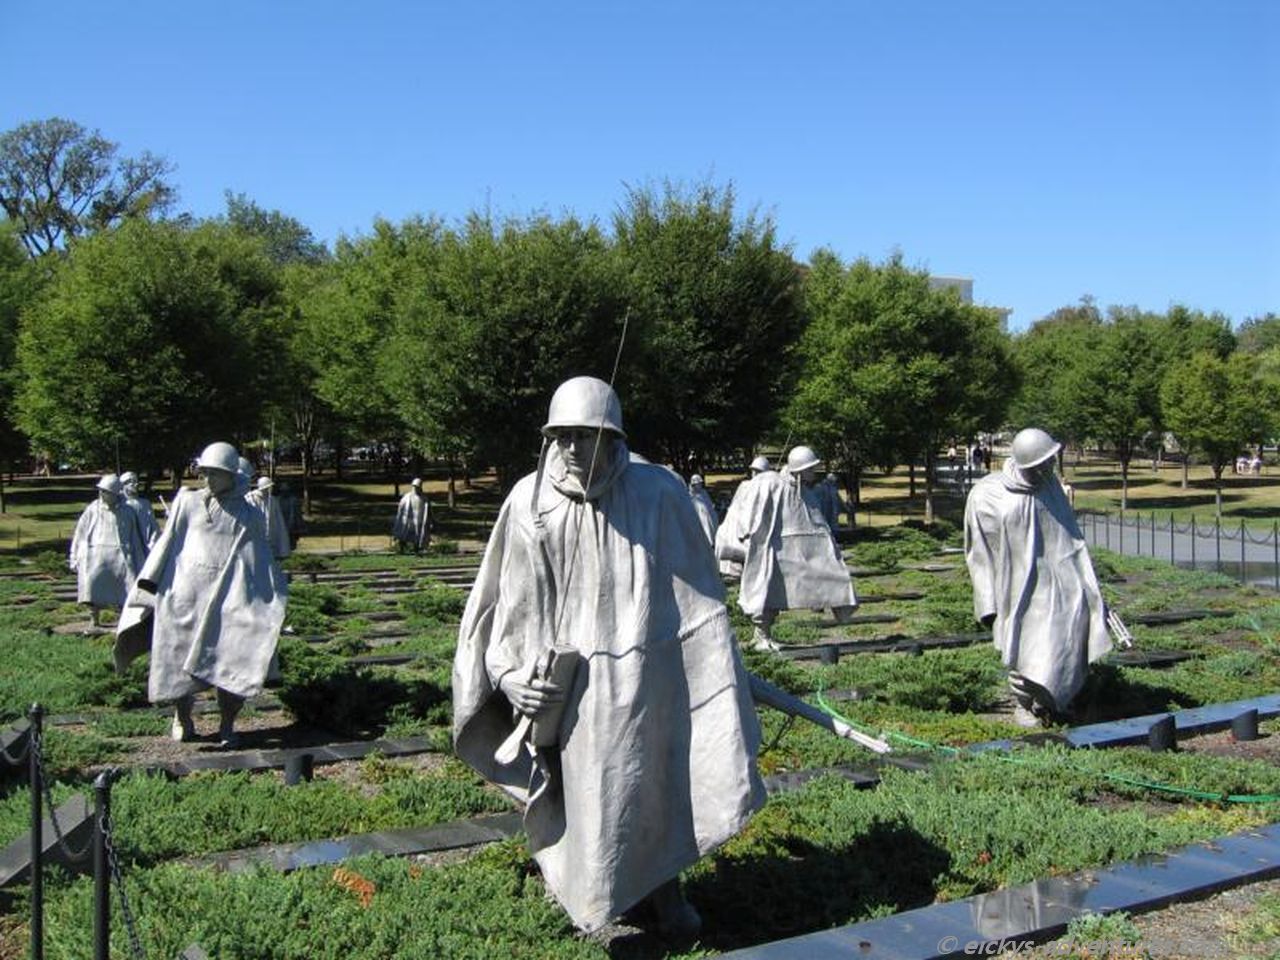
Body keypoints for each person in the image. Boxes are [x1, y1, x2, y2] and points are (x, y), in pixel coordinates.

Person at [453, 376, 764, 938]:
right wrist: (508, 675)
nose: (573, 448)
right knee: (575, 788)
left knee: (653, 783)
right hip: (563, 686)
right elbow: (504, 606)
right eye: (563, 435)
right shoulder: (528, 500)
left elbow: (699, 601)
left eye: (587, 435)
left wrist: (709, 672)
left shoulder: (660, 494)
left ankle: (665, 890)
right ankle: (578, 891)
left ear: (614, 438)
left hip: (645, 677)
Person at [114, 441, 288, 747]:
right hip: (183, 596)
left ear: (231, 475)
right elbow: (167, 542)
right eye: (203, 472)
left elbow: (258, 560)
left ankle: (227, 723)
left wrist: (266, 599)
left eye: (214, 473)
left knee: (229, 663)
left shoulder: (248, 514)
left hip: (227, 601)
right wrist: (148, 585)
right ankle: (182, 717)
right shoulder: (187, 501)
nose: (206, 479)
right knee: (178, 664)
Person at [963, 427, 1112, 728]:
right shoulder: (987, 495)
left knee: (1067, 637)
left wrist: (1088, 584)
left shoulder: (1050, 486)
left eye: (1049, 461)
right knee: (1024, 645)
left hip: (1061, 581)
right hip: (1018, 587)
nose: (1048, 468)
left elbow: (1070, 534)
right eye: (1041, 463)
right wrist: (987, 601)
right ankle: (1023, 703)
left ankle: (1053, 700)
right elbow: (979, 553)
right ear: (1025, 463)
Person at [728, 445, 857, 651]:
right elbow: (753, 512)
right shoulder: (771, 484)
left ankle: (766, 634)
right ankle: (761, 635)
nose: (814, 473)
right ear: (799, 469)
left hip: (795, 550)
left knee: (828, 577)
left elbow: (817, 522)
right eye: (810, 469)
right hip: (771, 549)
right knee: (765, 590)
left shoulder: (807, 492)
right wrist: (746, 536)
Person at [69, 474, 148, 628]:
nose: (102, 494)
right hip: (96, 555)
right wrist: (76, 555)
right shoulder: (92, 509)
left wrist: (140, 560)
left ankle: (124, 620)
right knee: (92, 586)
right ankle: (94, 617)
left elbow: (135, 539)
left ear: (115, 493)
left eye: (106, 491)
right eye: (101, 491)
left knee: (126, 587)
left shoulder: (128, 512)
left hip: (122, 556)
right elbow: (81, 533)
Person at [714, 455, 771, 578]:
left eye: (759, 472)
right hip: (738, 520)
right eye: (754, 471)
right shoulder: (745, 485)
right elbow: (737, 504)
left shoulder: (767, 488)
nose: (755, 474)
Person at [247, 475, 291, 560]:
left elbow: (279, 520)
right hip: (258, 531)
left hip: (272, 531)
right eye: (268, 487)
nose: (270, 489)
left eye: (270, 487)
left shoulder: (273, 500)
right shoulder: (252, 499)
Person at [119, 471, 161, 549]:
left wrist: (152, 542)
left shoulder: (145, 504)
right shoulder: (120, 505)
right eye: (131, 482)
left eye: (136, 481)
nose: (136, 484)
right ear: (123, 485)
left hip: (145, 547)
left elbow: (154, 527)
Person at [392, 478, 431, 553]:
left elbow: (428, 511)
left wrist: (430, 520)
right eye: (414, 486)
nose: (415, 488)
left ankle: (416, 550)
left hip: (419, 520)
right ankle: (401, 549)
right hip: (407, 520)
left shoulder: (424, 498)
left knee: (417, 536)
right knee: (403, 535)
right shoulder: (407, 497)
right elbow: (401, 508)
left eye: (417, 487)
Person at [688, 473, 718, 547]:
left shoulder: (704, 492)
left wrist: (711, 508)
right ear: (694, 484)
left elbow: (708, 503)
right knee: (705, 522)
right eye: (698, 484)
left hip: (708, 513)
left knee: (712, 519)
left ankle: (712, 540)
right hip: (699, 515)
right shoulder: (691, 495)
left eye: (700, 483)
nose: (699, 485)